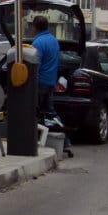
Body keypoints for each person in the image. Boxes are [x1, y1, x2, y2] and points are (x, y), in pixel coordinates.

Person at [31, 15, 73, 157]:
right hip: (50, 82)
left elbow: (35, 65)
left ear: (35, 27)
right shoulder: (54, 41)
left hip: (40, 82)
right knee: (51, 112)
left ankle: (32, 140)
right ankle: (65, 141)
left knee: (34, 112)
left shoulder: (38, 43)